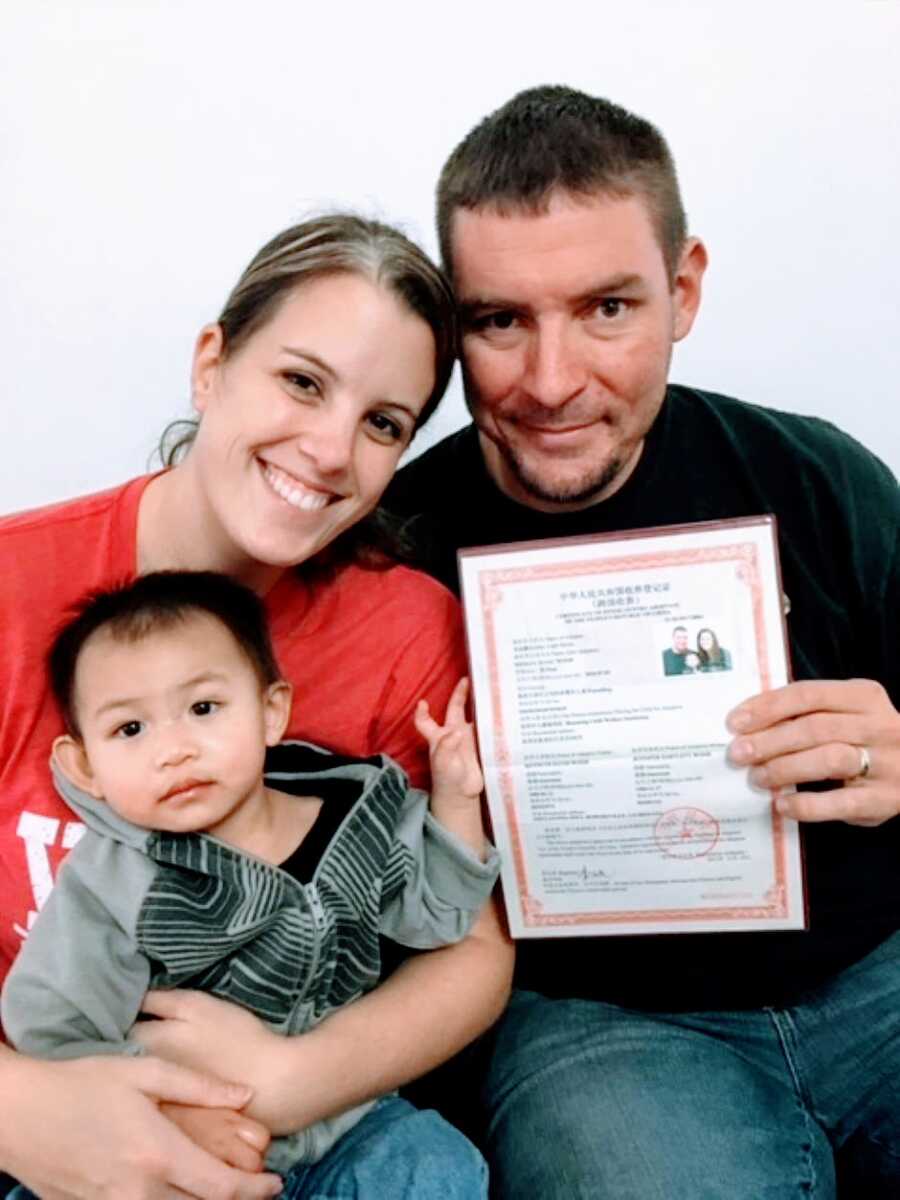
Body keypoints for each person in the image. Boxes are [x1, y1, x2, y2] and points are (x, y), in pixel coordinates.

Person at [385, 85, 900, 1198]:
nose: (554, 381)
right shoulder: (394, 551)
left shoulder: (818, 477)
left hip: (880, 978)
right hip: (603, 1027)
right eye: (500, 320)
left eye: (607, 308)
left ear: (684, 289)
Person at [0, 214, 513, 1200]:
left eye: (383, 424)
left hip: (305, 1130)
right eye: (302, 381)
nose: (328, 448)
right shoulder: (18, 586)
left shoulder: (407, 631)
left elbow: (469, 946)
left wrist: (293, 1082)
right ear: (211, 365)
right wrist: (26, 1112)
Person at [3, 570, 497, 1198]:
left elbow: (440, 916)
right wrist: (173, 1110)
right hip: (178, 1143)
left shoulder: (357, 811)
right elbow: (53, 1028)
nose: (175, 749)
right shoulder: (116, 882)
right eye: (131, 729)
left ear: (271, 712)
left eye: (203, 709)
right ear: (85, 766)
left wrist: (455, 801)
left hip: (343, 1121)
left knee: (434, 1165)